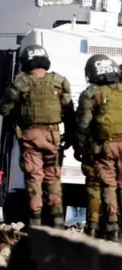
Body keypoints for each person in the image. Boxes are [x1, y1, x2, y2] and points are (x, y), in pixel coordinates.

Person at [0, 44, 75, 228]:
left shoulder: (20, 83)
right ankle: (57, 223)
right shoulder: (59, 82)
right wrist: (71, 138)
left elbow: (3, 109)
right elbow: (70, 113)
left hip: (31, 137)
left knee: (34, 179)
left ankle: (36, 223)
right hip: (53, 137)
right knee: (53, 179)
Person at [75, 54, 121, 240]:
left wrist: (80, 149)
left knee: (107, 186)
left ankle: (111, 227)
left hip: (104, 148)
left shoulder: (92, 93)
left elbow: (83, 125)